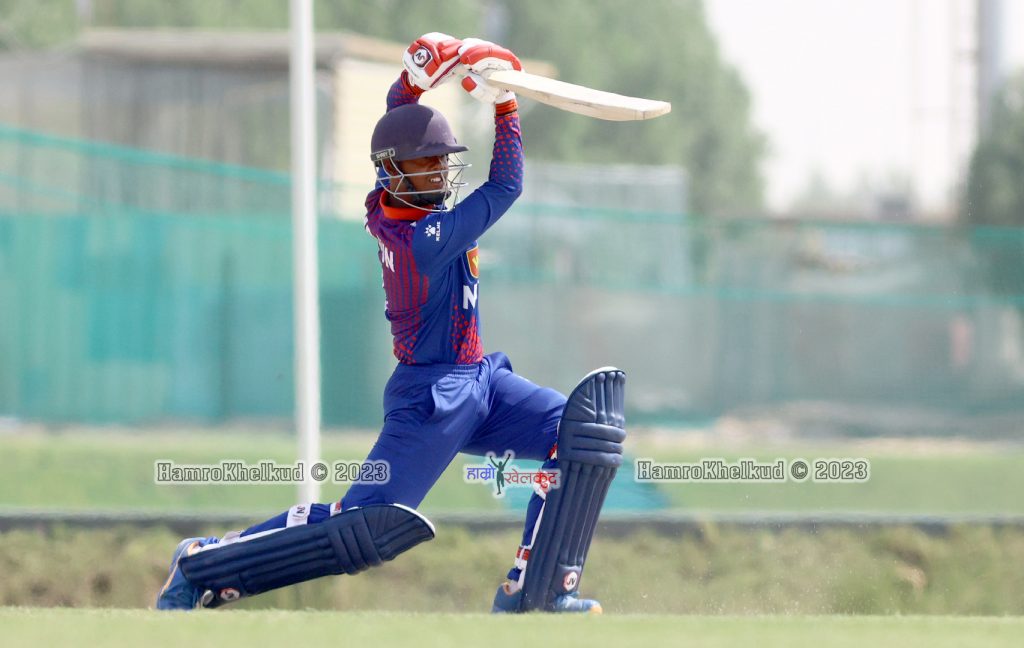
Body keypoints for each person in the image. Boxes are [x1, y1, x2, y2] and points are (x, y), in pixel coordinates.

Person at [155, 33, 625, 615]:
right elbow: (507, 184)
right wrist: (505, 106)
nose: (439, 174)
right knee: (362, 526)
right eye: (425, 165)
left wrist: (414, 79)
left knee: (580, 436)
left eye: (442, 161)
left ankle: (537, 591)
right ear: (395, 171)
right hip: (431, 397)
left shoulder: (389, 199)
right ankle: (203, 561)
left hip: (480, 380)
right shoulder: (422, 239)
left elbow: (397, 123)